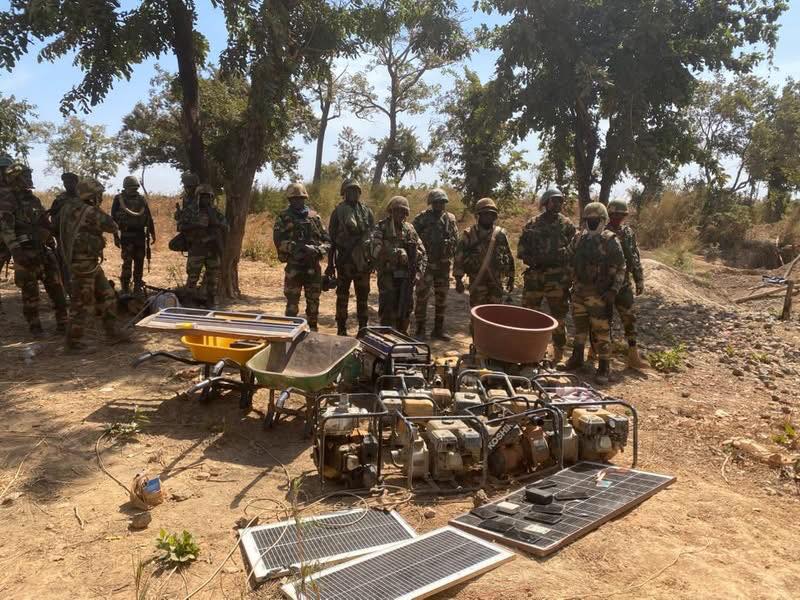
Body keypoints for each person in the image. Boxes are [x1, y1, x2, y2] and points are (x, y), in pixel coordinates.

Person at [56, 178, 127, 352]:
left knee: (108, 295)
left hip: (86, 262)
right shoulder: (90, 211)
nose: (101, 198)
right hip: (84, 265)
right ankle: (73, 344)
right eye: (98, 195)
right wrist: (96, 208)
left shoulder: (69, 207)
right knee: (82, 303)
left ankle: (112, 333)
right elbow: (112, 226)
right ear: (91, 196)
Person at [0, 163, 68, 336]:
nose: (29, 178)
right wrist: (16, 251)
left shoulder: (34, 199)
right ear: (15, 179)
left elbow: (43, 221)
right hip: (25, 252)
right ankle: (35, 327)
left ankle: (63, 323)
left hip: (43, 250)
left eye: (29, 175)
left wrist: (50, 237)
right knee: (30, 293)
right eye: (25, 175)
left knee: (56, 288)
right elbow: (6, 229)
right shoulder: (8, 201)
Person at [564, 202, 626, 384]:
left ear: (603, 220)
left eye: (595, 220)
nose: (591, 223)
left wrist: (613, 291)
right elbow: (569, 258)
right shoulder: (579, 238)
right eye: (588, 220)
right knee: (580, 328)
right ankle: (576, 359)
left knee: (602, 331)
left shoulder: (610, 240)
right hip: (579, 291)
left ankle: (604, 367)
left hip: (599, 294)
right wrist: (570, 281)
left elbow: (621, 268)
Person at [517, 188, 576, 364]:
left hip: (557, 278)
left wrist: (569, 273)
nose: (558, 204)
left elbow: (574, 250)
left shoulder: (567, 225)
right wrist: (532, 260)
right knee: (529, 314)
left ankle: (558, 352)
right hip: (535, 277)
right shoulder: (532, 224)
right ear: (545, 202)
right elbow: (521, 250)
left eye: (560, 201)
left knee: (559, 316)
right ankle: (528, 349)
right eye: (554, 200)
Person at [273, 182, 330, 331]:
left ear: (305, 199)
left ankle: (313, 331)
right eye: (294, 199)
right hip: (294, 267)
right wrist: (296, 248)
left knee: (313, 304)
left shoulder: (314, 217)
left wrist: (318, 250)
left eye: (300, 198)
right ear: (289, 200)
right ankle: (290, 333)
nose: (297, 201)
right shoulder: (284, 217)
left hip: (313, 267)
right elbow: (278, 241)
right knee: (292, 304)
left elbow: (327, 241)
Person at [326, 179, 375, 336]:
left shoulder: (367, 212)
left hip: (363, 263)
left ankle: (363, 328)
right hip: (344, 262)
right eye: (349, 190)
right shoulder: (338, 212)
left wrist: (372, 260)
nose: (353, 193)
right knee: (342, 296)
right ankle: (341, 328)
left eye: (355, 190)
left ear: (359, 193)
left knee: (363, 297)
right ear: (344, 193)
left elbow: (373, 238)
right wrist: (330, 264)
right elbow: (331, 241)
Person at [372, 196, 427, 334]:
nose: (400, 214)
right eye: (397, 211)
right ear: (391, 211)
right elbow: (374, 249)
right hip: (388, 275)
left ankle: (403, 337)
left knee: (406, 309)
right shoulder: (382, 227)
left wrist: (419, 272)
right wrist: (396, 253)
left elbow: (422, 252)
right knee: (388, 307)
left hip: (407, 276)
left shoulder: (410, 229)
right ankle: (386, 337)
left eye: (403, 212)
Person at [607, 200, 648, 369]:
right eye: (615, 214)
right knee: (603, 321)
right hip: (605, 284)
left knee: (630, 318)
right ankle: (598, 354)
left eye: (622, 215)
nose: (618, 218)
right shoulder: (602, 231)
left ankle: (633, 355)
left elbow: (634, 257)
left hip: (624, 284)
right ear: (609, 214)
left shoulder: (629, 232)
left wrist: (639, 279)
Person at [412, 188, 458, 340]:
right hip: (426, 265)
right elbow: (411, 237)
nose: (439, 205)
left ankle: (438, 330)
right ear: (431, 203)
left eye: (442, 202)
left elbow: (455, 240)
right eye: (436, 202)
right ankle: (420, 330)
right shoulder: (422, 218)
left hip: (443, 265)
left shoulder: (450, 219)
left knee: (442, 298)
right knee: (422, 297)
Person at [453, 197, 515, 307]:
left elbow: (508, 255)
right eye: (485, 214)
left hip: (496, 281)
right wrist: (458, 279)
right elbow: (459, 257)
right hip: (477, 280)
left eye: (491, 214)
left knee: (496, 312)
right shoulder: (469, 234)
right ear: (479, 215)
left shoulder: (500, 234)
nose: (488, 217)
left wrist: (511, 277)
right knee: (478, 312)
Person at [175, 183, 226, 306]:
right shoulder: (190, 211)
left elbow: (225, 226)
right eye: (203, 196)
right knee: (192, 278)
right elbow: (180, 227)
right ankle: (189, 302)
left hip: (212, 249)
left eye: (208, 197)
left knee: (213, 278)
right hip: (197, 248)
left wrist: (217, 225)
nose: (205, 199)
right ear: (198, 197)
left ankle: (211, 301)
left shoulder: (215, 212)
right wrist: (196, 225)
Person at [111, 176, 155, 295]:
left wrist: (152, 233)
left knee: (139, 261)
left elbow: (149, 217)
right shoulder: (118, 199)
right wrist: (115, 236)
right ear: (125, 188)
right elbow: (113, 220)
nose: (134, 190)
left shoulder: (141, 199)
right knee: (127, 262)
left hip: (140, 235)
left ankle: (137, 286)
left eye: (135, 188)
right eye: (131, 188)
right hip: (126, 235)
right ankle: (125, 288)